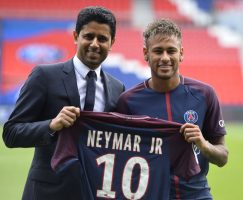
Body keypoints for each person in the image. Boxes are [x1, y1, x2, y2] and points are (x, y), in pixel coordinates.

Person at [2, 6, 124, 200]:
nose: (94, 44)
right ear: (76, 36)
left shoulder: (118, 88)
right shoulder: (44, 76)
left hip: (93, 192)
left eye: (102, 39)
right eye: (88, 36)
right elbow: (11, 133)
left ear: (112, 43)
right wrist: (51, 125)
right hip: (47, 193)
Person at [116, 19, 228, 199]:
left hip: (196, 194)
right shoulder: (128, 101)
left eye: (171, 51)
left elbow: (222, 157)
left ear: (181, 53)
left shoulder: (204, 94)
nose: (165, 58)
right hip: (149, 195)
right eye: (158, 51)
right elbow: (118, 159)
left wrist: (203, 144)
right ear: (146, 54)